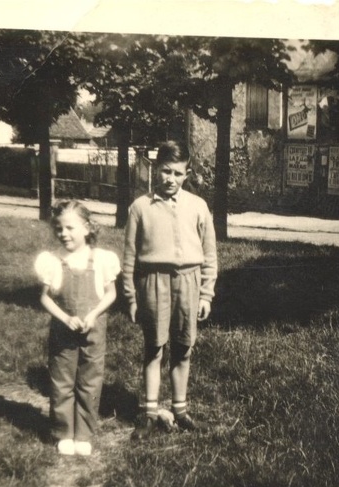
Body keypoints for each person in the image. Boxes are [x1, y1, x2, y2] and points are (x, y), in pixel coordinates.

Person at [122, 140, 218, 440]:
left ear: (186, 174)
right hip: (153, 283)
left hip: (188, 282)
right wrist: (131, 297)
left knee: (183, 348)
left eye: (177, 173)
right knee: (154, 348)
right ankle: (149, 414)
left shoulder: (198, 206)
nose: (170, 179)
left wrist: (205, 293)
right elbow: (128, 259)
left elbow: (210, 254)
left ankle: (180, 410)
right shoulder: (139, 207)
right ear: (155, 169)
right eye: (165, 172)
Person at [35, 200, 120, 456]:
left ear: (87, 228)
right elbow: (45, 298)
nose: (64, 234)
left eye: (70, 228)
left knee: (89, 380)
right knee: (62, 380)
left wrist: (93, 314)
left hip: (93, 330)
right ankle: (64, 432)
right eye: (59, 228)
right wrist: (64, 318)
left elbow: (111, 294)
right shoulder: (53, 261)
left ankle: (83, 433)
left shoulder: (102, 259)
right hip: (64, 331)